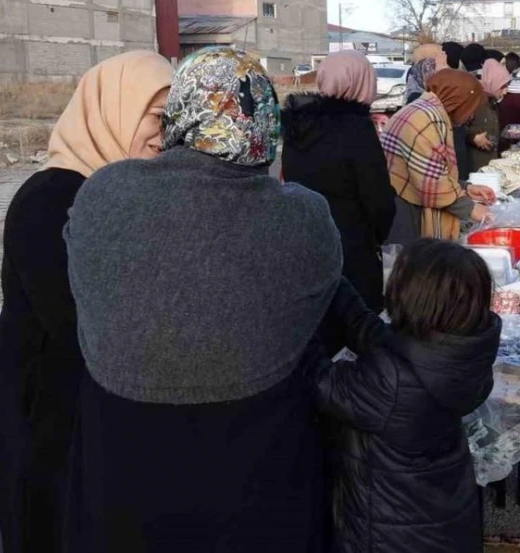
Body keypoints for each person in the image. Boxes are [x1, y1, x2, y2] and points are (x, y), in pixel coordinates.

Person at [62, 47, 342, 552]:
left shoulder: (103, 192)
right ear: (264, 123)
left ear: (180, 110)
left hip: (121, 476)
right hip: (256, 483)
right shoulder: (303, 216)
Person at [0, 51, 173, 553]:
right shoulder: (50, 197)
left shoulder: (122, 189)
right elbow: (74, 317)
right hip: (43, 397)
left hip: (86, 392)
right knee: (49, 522)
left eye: (172, 120)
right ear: (114, 110)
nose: (162, 134)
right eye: (155, 117)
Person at [314, 240, 500, 553]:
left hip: (389, 538)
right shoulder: (461, 359)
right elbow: (372, 333)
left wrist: (285, 307)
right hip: (443, 525)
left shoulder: (392, 382)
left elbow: (317, 378)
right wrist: (333, 282)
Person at [282, 50, 396, 311]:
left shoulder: (298, 124)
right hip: (351, 249)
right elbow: (378, 202)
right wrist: (374, 237)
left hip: (307, 243)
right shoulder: (356, 128)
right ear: (362, 82)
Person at [382, 69, 494, 244]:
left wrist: (464, 187)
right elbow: (433, 184)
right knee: (413, 266)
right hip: (405, 211)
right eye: (470, 108)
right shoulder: (428, 119)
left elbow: (430, 168)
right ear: (459, 100)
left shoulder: (423, 109)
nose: (470, 116)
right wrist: (471, 208)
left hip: (403, 198)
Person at [470, 57, 511, 173]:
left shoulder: (492, 102)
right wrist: (473, 137)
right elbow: (457, 128)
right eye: (502, 86)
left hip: (488, 166)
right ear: (493, 82)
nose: (505, 91)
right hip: (475, 168)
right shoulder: (474, 100)